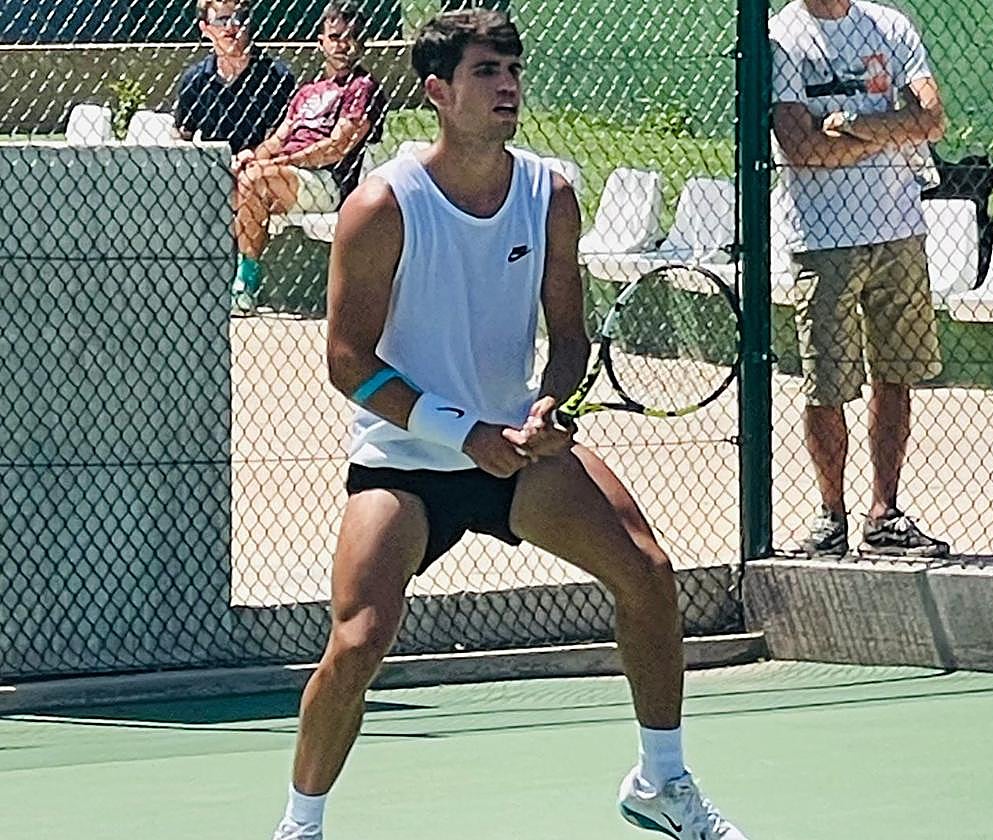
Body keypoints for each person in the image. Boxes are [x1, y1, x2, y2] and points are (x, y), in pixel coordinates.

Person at [269, 10, 749, 840]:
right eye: (488, 72)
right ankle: (300, 827)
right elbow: (347, 361)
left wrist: (547, 410)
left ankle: (662, 782)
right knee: (359, 640)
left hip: (516, 454)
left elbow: (567, 339)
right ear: (438, 92)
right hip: (408, 459)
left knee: (647, 572)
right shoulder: (382, 204)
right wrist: (464, 436)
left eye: (513, 70)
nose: (508, 86)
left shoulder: (549, 194)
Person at [770, 0, 952, 559]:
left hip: (900, 229)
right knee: (827, 383)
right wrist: (893, 133)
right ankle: (832, 516)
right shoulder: (782, 38)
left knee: (895, 374)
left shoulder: (890, 25)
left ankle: (884, 514)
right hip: (822, 240)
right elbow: (801, 149)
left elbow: (934, 120)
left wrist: (851, 127)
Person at [230, 1, 386, 314]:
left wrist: (274, 165)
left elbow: (336, 146)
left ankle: (245, 282)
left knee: (256, 180)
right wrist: (250, 157)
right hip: (285, 173)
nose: (343, 44)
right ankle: (224, 273)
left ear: (363, 41)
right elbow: (278, 139)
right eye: (335, 36)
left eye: (352, 36)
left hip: (328, 181)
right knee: (233, 176)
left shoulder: (363, 87)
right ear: (321, 42)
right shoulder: (306, 91)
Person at [174, 0, 295, 153]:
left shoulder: (277, 77)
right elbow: (182, 133)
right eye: (221, 20)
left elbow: (282, 136)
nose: (231, 27)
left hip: (259, 167)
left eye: (239, 17)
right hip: (210, 167)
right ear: (205, 28)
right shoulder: (195, 80)